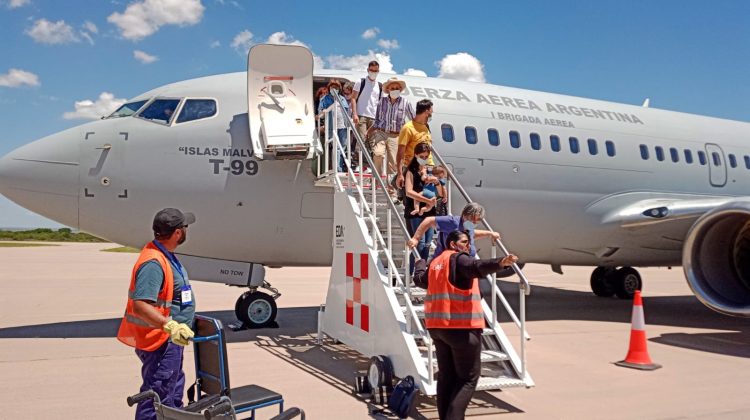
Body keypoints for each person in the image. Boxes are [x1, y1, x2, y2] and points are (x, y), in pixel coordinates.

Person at [425, 230, 518, 420]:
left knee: (446, 377)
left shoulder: (435, 263)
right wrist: (499, 263)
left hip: (437, 328)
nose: (468, 246)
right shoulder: (460, 259)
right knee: (467, 380)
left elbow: (420, 279)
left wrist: (419, 265)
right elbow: (475, 266)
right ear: (453, 244)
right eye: (465, 242)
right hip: (461, 329)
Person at [117, 208, 197, 420]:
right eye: (185, 227)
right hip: (160, 342)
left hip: (171, 341)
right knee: (157, 395)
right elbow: (140, 305)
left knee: (171, 391)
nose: (187, 230)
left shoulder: (165, 255)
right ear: (178, 233)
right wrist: (170, 326)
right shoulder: (153, 262)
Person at [366, 77, 415, 194]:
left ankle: (392, 189)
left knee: (394, 163)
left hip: (396, 135)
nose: (395, 90)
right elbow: (377, 120)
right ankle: (375, 180)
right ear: (388, 89)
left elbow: (413, 118)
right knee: (378, 154)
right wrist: (369, 131)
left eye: (397, 88)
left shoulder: (405, 103)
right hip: (381, 132)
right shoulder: (382, 102)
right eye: (392, 88)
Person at [407, 202, 500, 261]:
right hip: (445, 264)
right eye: (472, 218)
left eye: (478, 220)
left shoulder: (468, 226)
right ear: (464, 214)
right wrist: (416, 238)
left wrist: (490, 234)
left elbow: (472, 234)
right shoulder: (452, 222)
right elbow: (429, 220)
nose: (475, 222)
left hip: (464, 264)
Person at [404, 142, 437, 266]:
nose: (424, 159)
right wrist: (427, 201)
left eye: (426, 157)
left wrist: (436, 182)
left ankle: (422, 272)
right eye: (421, 156)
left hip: (428, 211)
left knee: (428, 243)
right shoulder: (410, 171)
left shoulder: (426, 170)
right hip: (415, 211)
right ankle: (413, 273)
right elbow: (409, 192)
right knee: (419, 242)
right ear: (415, 155)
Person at [395, 99, 434, 189]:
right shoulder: (408, 128)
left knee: (429, 197)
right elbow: (400, 153)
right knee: (416, 199)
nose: (432, 114)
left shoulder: (426, 127)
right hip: (414, 169)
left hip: (428, 168)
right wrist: (400, 174)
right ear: (426, 111)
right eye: (431, 111)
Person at [352, 60, 383, 161]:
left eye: (376, 71)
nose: (373, 72)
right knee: (361, 140)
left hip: (374, 117)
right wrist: (355, 114)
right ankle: (358, 162)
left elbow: (380, 103)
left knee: (372, 141)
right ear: (368, 70)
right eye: (371, 70)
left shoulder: (380, 86)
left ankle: (369, 164)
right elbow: (353, 98)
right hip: (362, 115)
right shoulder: (360, 82)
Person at [317, 79, 351, 172]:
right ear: (329, 88)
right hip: (332, 126)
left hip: (343, 126)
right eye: (332, 87)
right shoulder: (324, 99)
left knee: (343, 147)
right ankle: (338, 169)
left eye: (336, 87)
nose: (334, 89)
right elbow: (320, 113)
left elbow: (347, 111)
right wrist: (323, 113)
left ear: (339, 88)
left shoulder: (342, 98)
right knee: (336, 147)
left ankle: (340, 167)